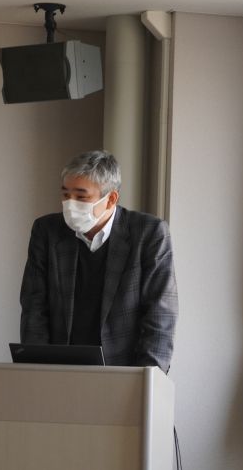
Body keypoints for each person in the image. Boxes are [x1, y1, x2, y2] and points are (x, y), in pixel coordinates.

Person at [19, 150, 178, 372]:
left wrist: (146, 379)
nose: (70, 204)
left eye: (81, 197)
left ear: (111, 199)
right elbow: (34, 306)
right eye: (65, 194)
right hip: (58, 368)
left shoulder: (148, 233)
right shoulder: (47, 231)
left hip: (125, 370)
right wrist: (37, 369)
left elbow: (160, 314)